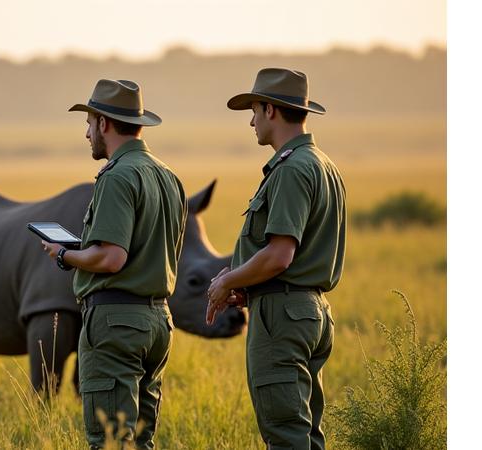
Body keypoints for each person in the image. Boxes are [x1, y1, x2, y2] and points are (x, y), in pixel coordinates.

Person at [40, 79, 187, 449]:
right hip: (157, 320)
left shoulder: (117, 175)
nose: (87, 133)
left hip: (116, 323)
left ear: (104, 123)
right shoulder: (168, 176)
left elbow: (111, 257)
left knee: (110, 440)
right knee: (140, 440)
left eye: (89, 123)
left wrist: (64, 254)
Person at [206, 68, 346, 450]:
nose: (250, 120)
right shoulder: (323, 165)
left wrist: (227, 281)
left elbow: (279, 256)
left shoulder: (291, 169)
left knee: (285, 436)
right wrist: (248, 288)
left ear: (270, 110)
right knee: (305, 435)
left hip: (283, 319)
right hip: (310, 312)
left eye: (253, 110)